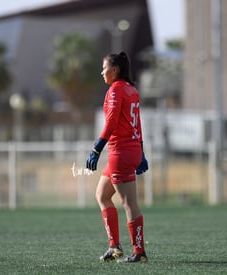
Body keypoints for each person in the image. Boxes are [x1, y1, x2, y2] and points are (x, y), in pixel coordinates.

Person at [86, 51, 149, 263]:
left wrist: (96, 148)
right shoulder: (132, 89)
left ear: (114, 70)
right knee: (102, 195)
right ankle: (115, 247)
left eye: (104, 68)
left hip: (120, 152)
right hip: (130, 149)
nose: (101, 72)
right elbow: (137, 123)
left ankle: (139, 252)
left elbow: (111, 124)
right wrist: (141, 152)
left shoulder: (116, 90)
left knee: (129, 203)